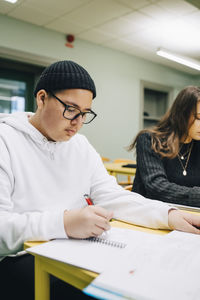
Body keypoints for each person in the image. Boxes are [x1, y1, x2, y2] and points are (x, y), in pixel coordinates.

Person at [0, 62, 200, 300]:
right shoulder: (6, 142)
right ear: (42, 98)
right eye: (71, 109)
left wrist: (168, 215)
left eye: (85, 113)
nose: (78, 122)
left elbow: (112, 196)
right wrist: (63, 223)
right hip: (20, 258)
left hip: (76, 248)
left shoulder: (79, 146)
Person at [129, 86, 200, 207]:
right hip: (149, 215)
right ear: (182, 114)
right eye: (199, 117)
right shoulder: (149, 139)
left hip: (188, 216)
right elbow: (157, 187)